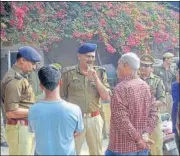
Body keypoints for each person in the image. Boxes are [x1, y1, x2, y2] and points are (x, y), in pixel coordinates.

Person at [60, 43, 111, 155]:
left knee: (97, 152)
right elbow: (61, 99)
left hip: (94, 118)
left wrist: (96, 78)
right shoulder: (68, 74)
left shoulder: (100, 73)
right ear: (79, 56)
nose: (90, 59)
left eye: (92, 57)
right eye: (87, 56)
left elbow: (106, 97)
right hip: (74, 119)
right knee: (73, 151)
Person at [106, 52, 158, 156]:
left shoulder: (120, 89)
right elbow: (154, 113)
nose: (117, 69)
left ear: (126, 65)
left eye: (118, 65)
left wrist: (139, 140)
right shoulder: (145, 86)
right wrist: (146, 133)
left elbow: (121, 120)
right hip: (142, 145)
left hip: (123, 147)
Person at [28, 65, 84, 155]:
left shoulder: (33, 110)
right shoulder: (75, 110)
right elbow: (79, 133)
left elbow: (33, 131)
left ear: (41, 86)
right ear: (60, 82)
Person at [1, 46, 41, 155]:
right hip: (19, 128)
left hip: (22, 128)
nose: (34, 67)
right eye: (33, 63)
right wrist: (37, 110)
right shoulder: (15, 80)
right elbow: (11, 112)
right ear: (22, 60)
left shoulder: (20, 77)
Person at [140, 54, 166, 156]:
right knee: (140, 147)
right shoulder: (134, 79)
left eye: (147, 66)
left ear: (152, 68)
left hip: (153, 118)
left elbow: (162, 100)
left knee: (156, 147)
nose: (143, 68)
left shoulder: (157, 80)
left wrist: (150, 104)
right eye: (142, 65)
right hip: (138, 119)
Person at [171, 63, 180, 153]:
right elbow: (175, 100)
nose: (177, 76)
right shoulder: (174, 85)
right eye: (177, 74)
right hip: (176, 114)